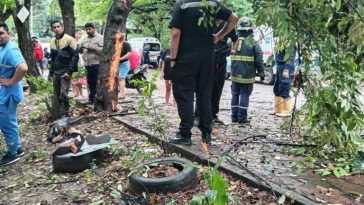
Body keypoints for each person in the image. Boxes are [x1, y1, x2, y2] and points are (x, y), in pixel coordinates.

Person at [168, 0, 238, 146]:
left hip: (185, 59)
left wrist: (173, 58)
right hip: (207, 59)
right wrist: (219, 36)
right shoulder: (212, 4)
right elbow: (234, 18)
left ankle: (185, 134)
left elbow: (175, 33)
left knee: (185, 95)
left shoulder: (181, 4)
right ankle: (206, 133)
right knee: (204, 95)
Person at [194, 20, 238, 125]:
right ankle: (197, 115)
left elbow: (235, 40)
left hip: (221, 61)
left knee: (217, 89)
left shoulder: (228, 26)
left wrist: (233, 50)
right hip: (206, 60)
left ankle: (213, 115)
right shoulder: (206, 23)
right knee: (203, 88)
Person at [0, 22, 28, 166]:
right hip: (5, 94)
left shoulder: (10, 49)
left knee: (6, 124)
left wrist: (11, 82)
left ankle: (12, 154)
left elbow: (23, 68)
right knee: (9, 122)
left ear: (8, 34)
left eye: (1, 33)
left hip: (8, 95)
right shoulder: (3, 48)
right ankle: (17, 148)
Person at [230, 17, 265, 124]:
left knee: (235, 95)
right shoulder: (253, 43)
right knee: (244, 95)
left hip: (235, 75)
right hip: (247, 76)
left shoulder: (232, 41)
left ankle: (234, 117)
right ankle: (242, 118)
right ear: (250, 30)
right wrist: (261, 72)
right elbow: (259, 60)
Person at [48, 20, 79, 118]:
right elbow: (53, 59)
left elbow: (75, 57)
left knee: (63, 94)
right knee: (56, 95)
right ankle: (58, 115)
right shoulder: (52, 41)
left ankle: (65, 115)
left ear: (62, 27)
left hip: (65, 71)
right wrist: (50, 73)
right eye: (54, 27)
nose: (57, 29)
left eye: (58, 26)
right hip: (56, 71)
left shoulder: (69, 39)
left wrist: (69, 72)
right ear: (52, 29)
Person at [79, 22, 103, 103]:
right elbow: (81, 51)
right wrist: (80, 48)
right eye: (86, 29)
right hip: (87, 64)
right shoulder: (84, 39)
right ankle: (92, 98)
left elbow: (105, 51)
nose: (88, 31)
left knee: (97, 82)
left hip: (97, 63)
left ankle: (98, 98)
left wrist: (94, 48)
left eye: (90, 29)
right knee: (90, 82)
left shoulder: (101, 38)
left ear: (94, 29)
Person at [268, 48, 295, 117]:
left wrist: (287, 68)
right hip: (280, 65)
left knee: (284, 87)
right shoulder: (281, 40)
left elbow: (290, 57)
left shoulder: (288, 41)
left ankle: (287, 111)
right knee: (277, 88)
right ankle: (278, 109)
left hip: (286, 66)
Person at [160, 39, 175, 106]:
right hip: (167, 72)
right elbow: (163, 63)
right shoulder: (166, 51)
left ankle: (175, 103)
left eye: (172, 42)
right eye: (169, 42)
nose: (170, 43)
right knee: (167, 88)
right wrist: (161, 72)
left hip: (174, 72)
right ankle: (167, 102)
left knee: (175, 88)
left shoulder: (177, 51)